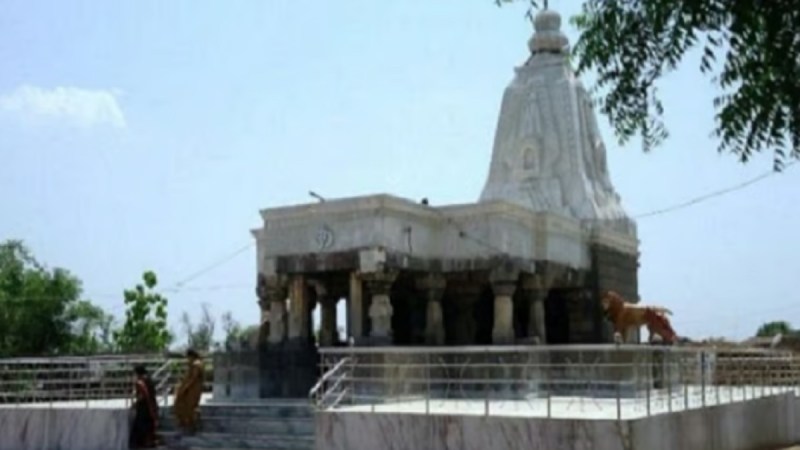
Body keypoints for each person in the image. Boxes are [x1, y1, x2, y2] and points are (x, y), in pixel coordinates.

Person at [173, 349, 204, 433]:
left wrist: (184, 387)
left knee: (190, 408)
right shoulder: (193, 364)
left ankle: (192, 426)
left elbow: (193, 378)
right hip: (190, 389)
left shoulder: (196, 364)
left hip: (193, 389)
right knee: (184, 406)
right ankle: (186, 425)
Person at [130, 365, 159, 449]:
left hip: (143, 407)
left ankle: (141, 444)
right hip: (151, 405)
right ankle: (150, 443)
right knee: (149, 425)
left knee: (140, 426)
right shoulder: (149, 380)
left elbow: (142, 395)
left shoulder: (140, 382)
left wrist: (134, 404)